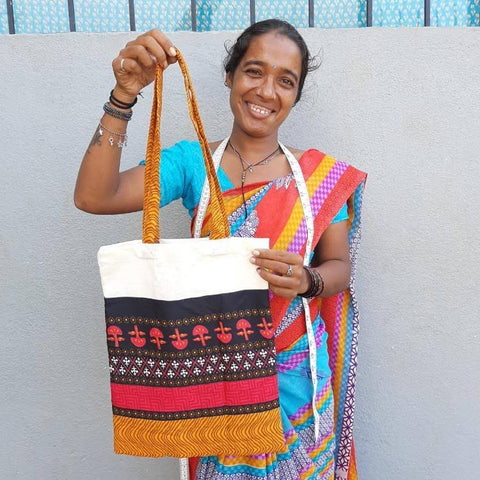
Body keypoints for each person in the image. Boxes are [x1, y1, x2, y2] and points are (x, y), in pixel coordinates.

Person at [75, 19, 366, 480]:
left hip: (298, 384)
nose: (267, 91)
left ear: (296, 94)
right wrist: (123, 95)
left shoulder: (321, 180)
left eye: (285, 81)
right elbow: (95, 196)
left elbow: (339, 269)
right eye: (254, 71)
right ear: (229, 76)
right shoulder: (192, 165)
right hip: (216, 381)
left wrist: (308, 281)